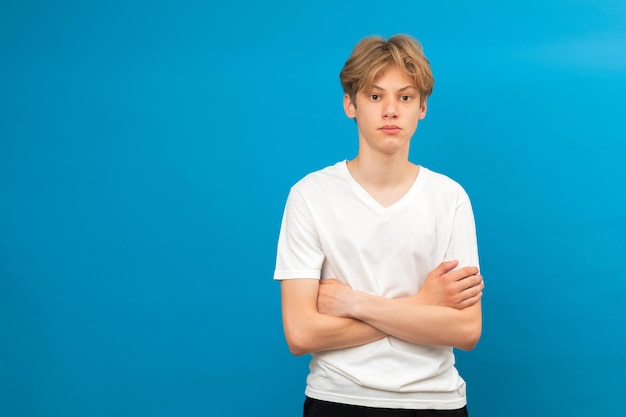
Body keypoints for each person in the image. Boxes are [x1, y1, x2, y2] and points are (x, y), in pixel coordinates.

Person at [273, 34, 485, 417]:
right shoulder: (310, 195)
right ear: (349, 105)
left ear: (422, 108)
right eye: (375, 96)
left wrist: (354, 303)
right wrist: (422, 305)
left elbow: (466, 331)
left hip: (436, 402)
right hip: (337, 400)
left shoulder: (449, 198)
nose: (390, 110)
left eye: (404, 97)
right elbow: (301, 333)